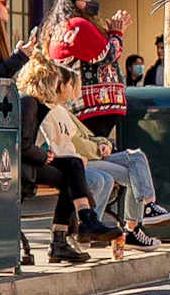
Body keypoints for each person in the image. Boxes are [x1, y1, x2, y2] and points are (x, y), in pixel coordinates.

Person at [14, 59, 130, 262]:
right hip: (28, 164)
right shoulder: (28, 102)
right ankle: (73, 230)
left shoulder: (38, 103)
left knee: (73, 164)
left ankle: (81, 224)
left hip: (36, 161)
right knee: (71, 172)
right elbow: (23, 145)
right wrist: (44, 156)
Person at [42, 0, 131, 145]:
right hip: (87, 109)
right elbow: (108, 54)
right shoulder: (77, 25)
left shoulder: (63, 27)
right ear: (72, 2)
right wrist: (117, 33)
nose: (92, 3)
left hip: (87, 110)